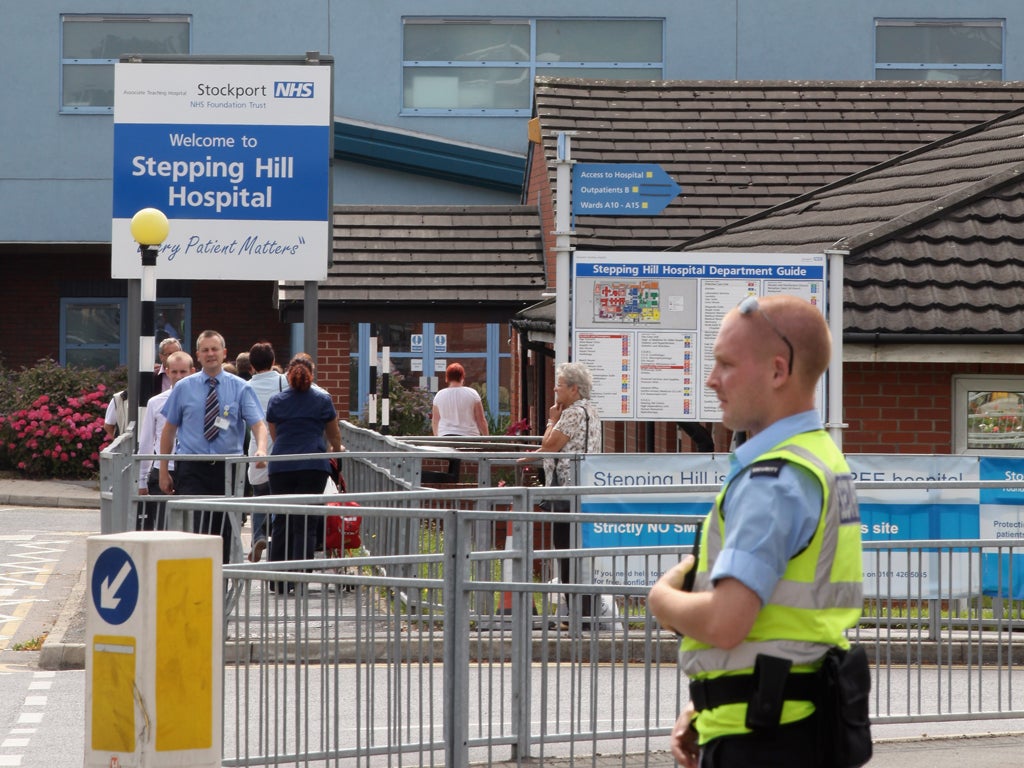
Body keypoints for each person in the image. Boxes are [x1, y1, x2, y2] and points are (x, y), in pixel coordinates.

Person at [647, 295, 866, 768]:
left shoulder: (774, 481)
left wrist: (660, 597)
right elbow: (796, 628)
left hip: (763, 742)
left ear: (777, 371)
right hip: (789, 725)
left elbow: (728, 622)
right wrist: (706, 706)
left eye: (725, 364)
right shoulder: (819, 457)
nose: (711, 379)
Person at [159, 330, 269, 563]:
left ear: (224, 353)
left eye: (215, 349)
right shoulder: (183, 387)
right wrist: (163, 470)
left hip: (227, 469)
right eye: (205, 350)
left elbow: (258, 425)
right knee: (196, 528)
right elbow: (168, 430)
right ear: (198, 355)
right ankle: (197, 586)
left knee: (224, 530)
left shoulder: (241, 387)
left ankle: (221, 586)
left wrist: (261, 450)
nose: (210, 354)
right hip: (191, 467)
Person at [519, 361, 601, 620]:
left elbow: (550, 445)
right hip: (585, 490)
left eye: (559, 386)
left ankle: (578, 615)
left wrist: (550, 421)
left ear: (574, 389)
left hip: (566, 492)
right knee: (580, 554)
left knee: (565, 552)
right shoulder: (592, 411)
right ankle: (584, 613)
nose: (555, 390)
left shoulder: (572, 413)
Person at [265, 354, 343, 593]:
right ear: (313, 373)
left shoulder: (276, 400)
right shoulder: (322, 400)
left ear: (288, 375)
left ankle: (278, 580)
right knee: (305, 522)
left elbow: (275, 434)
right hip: (313, 465)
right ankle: (300, 578)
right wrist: (336, 454)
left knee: (282, 521)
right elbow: (334, 435)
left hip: (281, 465)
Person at [135, 350, 193, 530]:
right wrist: (141, 479)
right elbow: (146, 441)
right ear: (166, 372)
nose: (178, 376)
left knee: (190, 527)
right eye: (174, 372)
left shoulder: (199, 400)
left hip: (190, 470)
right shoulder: (156, 402)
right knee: (163, 526)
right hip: (162, 469)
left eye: (183, 372)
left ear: (192, 371)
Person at [246, 341, 288, 561]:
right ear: (273, 361)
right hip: (281, 446)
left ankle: (258, 535)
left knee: (259, 494)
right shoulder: (284, 382)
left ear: (251, 365)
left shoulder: (246, 386)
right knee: (279, 496)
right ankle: (275, 538)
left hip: (257, 447)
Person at [431, 362, 489, 480]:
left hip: (446, 437)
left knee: (453, 467)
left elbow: (435, 420)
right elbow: (481, 419)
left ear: (447, 378)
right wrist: (487, 439)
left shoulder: (439, 395)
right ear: (462, 377)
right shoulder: (472, 394)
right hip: (469, 438)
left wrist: (437, 438)